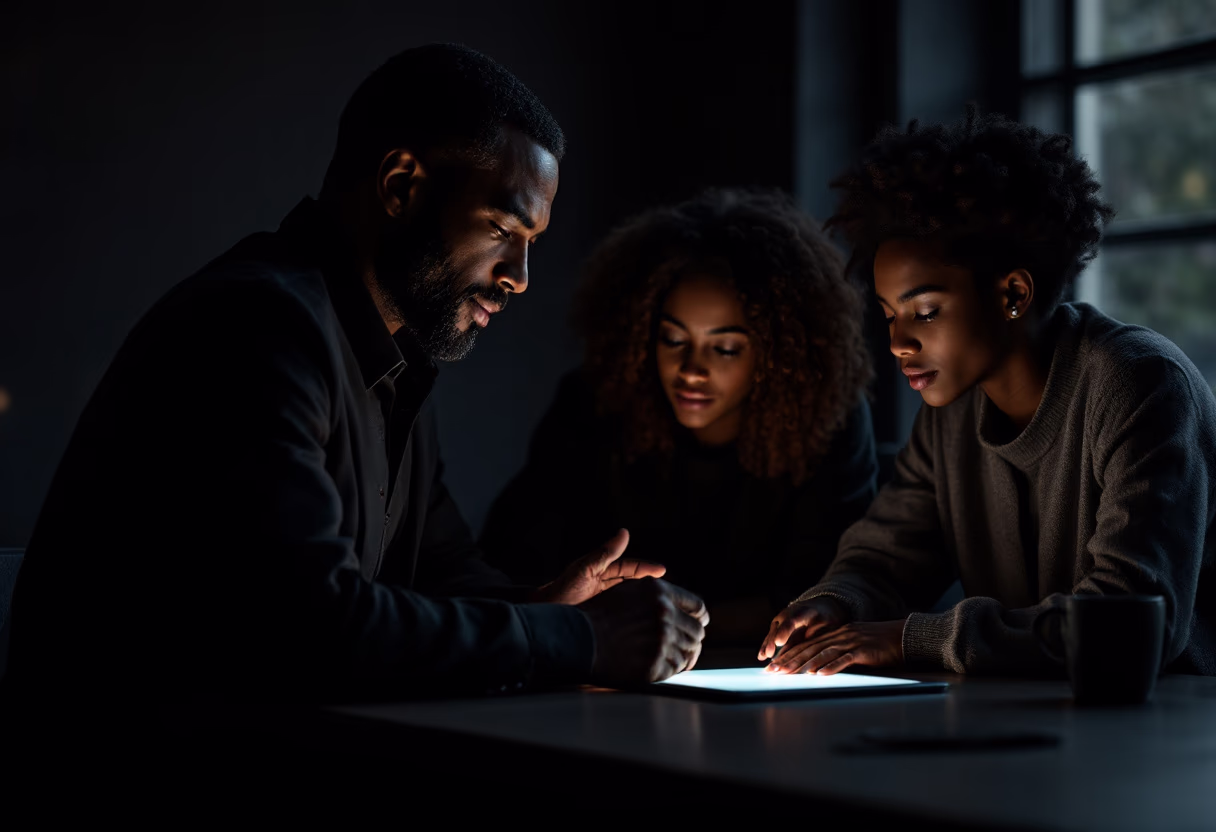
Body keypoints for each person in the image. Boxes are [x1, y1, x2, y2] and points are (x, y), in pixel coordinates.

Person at [3, 44, 710, 718]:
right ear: (401, 186)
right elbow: (312, 624)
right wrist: (585, 641)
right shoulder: (256, 328)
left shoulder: (393, 359)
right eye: (502, 229)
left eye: (530, 247)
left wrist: (553, 607)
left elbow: (444, 575)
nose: (518, 277)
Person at [759, 109, 1216, 677]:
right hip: (1033, 719)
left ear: (1013, 294)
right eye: (888, 315)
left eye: (925, 312)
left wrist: (912, 639)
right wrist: (834, 603)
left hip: (1174, 726)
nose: (899, 341)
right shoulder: (950, 413)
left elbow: (1126, 620)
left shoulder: (1142, 384)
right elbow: (884, 559)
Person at [481, 189, 877, 645]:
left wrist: (657, 624)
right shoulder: (593, 405)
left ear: (777, 353)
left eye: (725, 348)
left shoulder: (829, 423)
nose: (692, 370)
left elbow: (824, 591)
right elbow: (514, 556)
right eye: (673, 339)